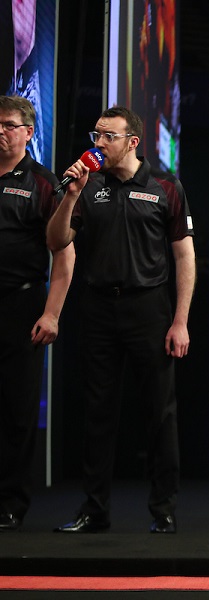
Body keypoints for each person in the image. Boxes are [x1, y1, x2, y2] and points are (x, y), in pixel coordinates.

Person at [46, 106, 195, 534]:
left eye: (108, 136)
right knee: (97, 411)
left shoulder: (166, 186)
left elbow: (184, 256)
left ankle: (164, 509)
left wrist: (180, 321)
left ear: (132, 142)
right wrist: (71, 194)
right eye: (96, 135)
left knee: (160, 412)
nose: (98, 143)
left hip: (149, 308)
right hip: (98, 307)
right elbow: (56, 241)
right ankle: (94, 510)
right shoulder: (88, 185)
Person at [0, 95, 74, 531]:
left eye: (9, 125)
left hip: (20, 304)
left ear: (28, 132)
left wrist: (52, 314)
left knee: (16, 409)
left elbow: (64, 254)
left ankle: (10, 503)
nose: (1, 131)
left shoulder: (44, 183)